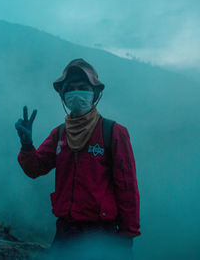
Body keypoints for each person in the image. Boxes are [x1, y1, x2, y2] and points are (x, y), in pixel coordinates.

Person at [15, 58, 140, 259]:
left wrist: (127, 235)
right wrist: (27, 145)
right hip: (65, 231)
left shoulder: (113, 132)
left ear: (95, 94)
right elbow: (35, 169)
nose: (76, 92)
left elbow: (127, 187)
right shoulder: (60, 134)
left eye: (83, 87)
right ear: (64, 96)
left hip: (100, 234)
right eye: (70, 88)